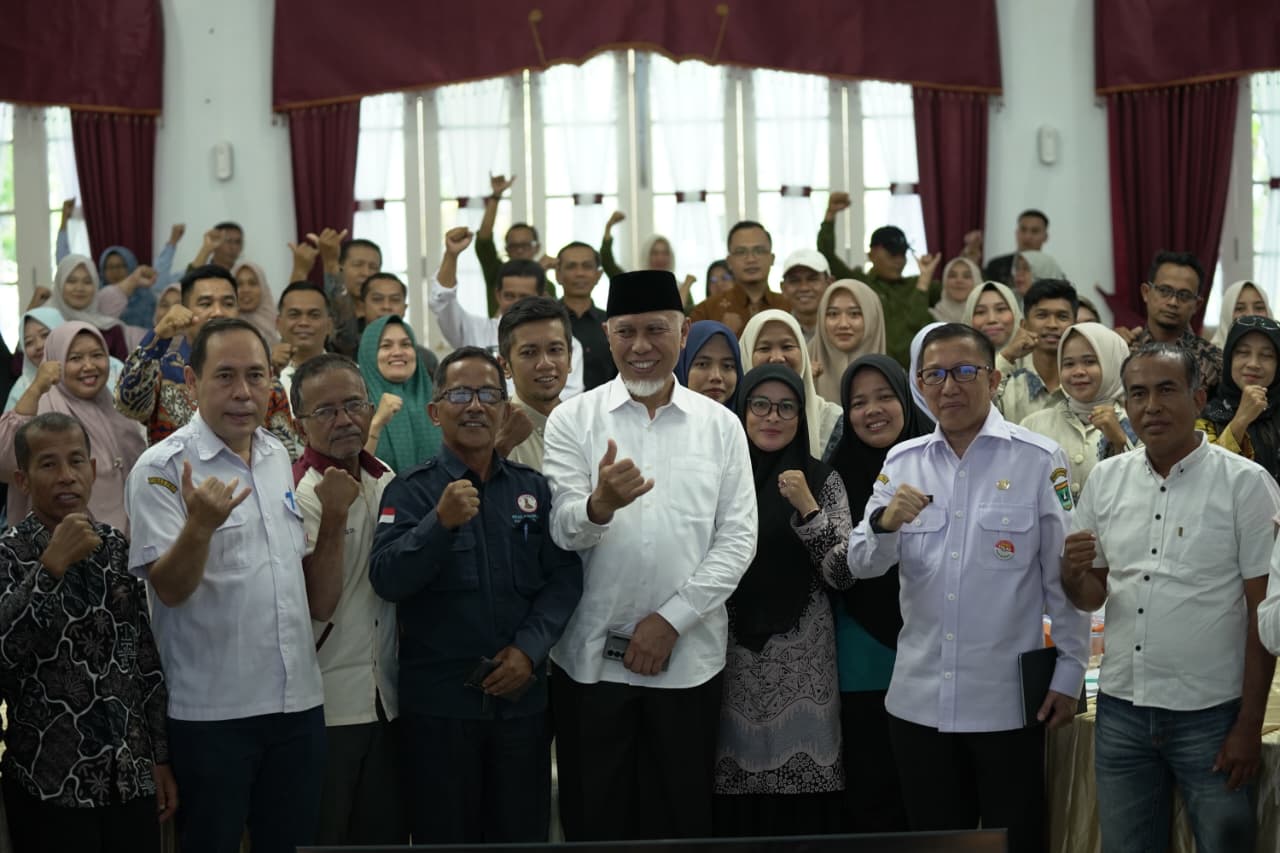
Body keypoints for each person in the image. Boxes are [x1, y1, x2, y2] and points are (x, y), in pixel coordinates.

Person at [846, 322, 1090, 853]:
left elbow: (1063, 575)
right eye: (934, 375)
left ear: (994, 378)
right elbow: (860, 563)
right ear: (920, 384)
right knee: (936, 843)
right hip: (918, 703)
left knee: (1016, 841)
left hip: (1006, 704)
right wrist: (885, 523)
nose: (948, 386)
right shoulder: (903, 462)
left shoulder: (1038, 459)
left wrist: (1070, 671)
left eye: (963, 371)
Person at [542, 269, 757, 841]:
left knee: (679, 820)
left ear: (682, 334)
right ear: (607, 336)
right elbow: (561, 529)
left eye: (656, 330)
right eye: (627, 332)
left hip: (687, 660)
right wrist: (598, 507)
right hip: (590, 662)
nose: (641, 346)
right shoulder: (573, 419)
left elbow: (738, 539)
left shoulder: (721, 426)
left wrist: (670, 620)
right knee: (595, 819)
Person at [1062, 343, 1279, 853]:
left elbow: (1263, 615)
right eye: (1138, 394)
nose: (1151, 406)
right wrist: (1070, 573)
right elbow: (1090, 596)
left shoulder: (1246, 484)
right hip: (1121, 711)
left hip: (1212, 713)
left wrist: (1249, 725)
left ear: (1198, 398)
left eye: (1166, 390)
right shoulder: (1106, 479)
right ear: (1126, 404)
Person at [124, 318, 326, 853]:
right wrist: (199, 527)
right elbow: (169, 590)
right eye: (225, 376)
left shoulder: (277, 455)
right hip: (215, 715)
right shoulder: (162, 468)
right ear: (192, 382)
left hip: (297, 705)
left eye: (256, 375)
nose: (243, 392)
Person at [370, 346, 583, 843]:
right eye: (459, 394)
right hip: (440, 714)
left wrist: (529, 651)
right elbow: (387, 579)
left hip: (522, 709)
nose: (474, 406)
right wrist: (438, 525)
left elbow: (564, 579)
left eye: (489, 395)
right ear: (434, 410)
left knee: (522, 834)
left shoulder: (533, 489)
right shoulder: (410, 491)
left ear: (505, 410)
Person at [0, 413, 176, 853]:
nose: (66, 475)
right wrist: (49, 569)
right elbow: (4, 653)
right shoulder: (9, 554)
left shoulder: (115, 547)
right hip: (50, 781)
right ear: (23, 480)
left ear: (93, 470)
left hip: (129, 777)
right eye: (48, 464)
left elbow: (143, 661)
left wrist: (158, 757)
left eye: (76, 461)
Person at [713, 364, 855, 837]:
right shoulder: (720, 476)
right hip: (729, 658)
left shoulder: (823, 479)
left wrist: (808, 508)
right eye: (760, 404)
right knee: (735, 796)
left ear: (801, 414)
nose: (772, 416)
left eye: (786, 407)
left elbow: (842, 574)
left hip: (804, 667)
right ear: (742, 410)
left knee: (804, 808)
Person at [288, 354, 406, 847]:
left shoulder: (387, 479)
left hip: (389, 701)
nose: (344, 420)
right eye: (326, 411)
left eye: (354, 405)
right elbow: (320, 604)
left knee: (384, 836)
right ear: (300, 423)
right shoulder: (297, 492)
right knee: (325, 836)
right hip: (327, 708)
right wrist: (335, 516)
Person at [826, 354, 933, 833]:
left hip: (933, 646)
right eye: (858, 402)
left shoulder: (941, 466)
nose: (872, 410)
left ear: (907, 400)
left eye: (885, 396)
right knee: (873, 788)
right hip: (862, 652)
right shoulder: (833, 477)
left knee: (929, 790)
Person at [114, 265, 301, 455]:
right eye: (205, 304)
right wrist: (158, 337)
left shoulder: (264, 382)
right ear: (184, 310)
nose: (218, 312)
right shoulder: (162, 371)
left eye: (228, 304)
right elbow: (128, 405)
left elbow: (285, 457)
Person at [0, 322, 147, 533]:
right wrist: (36, 388)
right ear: (56, 361)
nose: (89, 366)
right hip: (65, 540)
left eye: (97, 355)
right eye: (75, 358)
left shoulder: (118, 409)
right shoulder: (43, 412)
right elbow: (5, 460)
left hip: (126, 541)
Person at [430, 228, 585, 397]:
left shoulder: (563, 343)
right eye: (509, 296)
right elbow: (443, 303)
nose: (516, 303)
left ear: (543, 296)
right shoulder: (475, 330)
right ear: (498, 295)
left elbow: (569, 396)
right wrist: (451, 255)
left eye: (525, 297)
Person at [816, 193, 942, 367]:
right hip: (873, 371)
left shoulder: (919, 285)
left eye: (902, 254)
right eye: (892, 254)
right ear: (871, 254)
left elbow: (959, 292)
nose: (898, 260)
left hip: (917, 372)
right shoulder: (859, 285)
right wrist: (830, 216)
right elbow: (827, 255)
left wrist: (924, 282)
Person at [1022, 323, 1137, 502]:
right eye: (1068, 364)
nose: (1078, 372)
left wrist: (1120, 442)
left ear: (1113, 363)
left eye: (1089, 362)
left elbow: (1144, 490)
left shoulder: (1138, 425)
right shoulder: (1033, 425)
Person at [740, 309, 844, 454]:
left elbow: (841, 471)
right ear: (746, 354)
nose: (777, 358)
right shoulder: (726, 421)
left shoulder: (831, 422)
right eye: (764, 348)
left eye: (787, 347)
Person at [1120, 251, 1223, 392]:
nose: (1173, 302)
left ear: (1197, 305)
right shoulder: (1122, 349)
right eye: (1164, 291)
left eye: (1184, 295)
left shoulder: (1213, 360)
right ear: (1146, 292)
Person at [1198, 315, 1280, 482]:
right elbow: (1205, 476)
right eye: (1243, 353)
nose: (1253, 364)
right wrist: (1241, 419)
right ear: (1229, 358)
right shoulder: (1206, 415)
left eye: (1266, 355)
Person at [357, 315, 442, 474]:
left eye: (406, 344)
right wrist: (376, 424)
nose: (398, 352)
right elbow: (354, 472)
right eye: (386, 346)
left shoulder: (439, 402)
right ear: (369, 353)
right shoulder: (354, 407)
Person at [496, 296, 574, 470]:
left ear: (570, 359)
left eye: (555, 350)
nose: (545, 364)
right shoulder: (491, 433)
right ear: (505, 366)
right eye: (529, 353)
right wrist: (500, 449)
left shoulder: (589, 424)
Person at [995, 279, 1078, 424]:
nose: (1052, 324)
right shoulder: (1010, 387)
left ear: (1076, 326)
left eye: (1062, 317)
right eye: (1042, 315)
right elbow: (977, 402)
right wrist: (1007, 355)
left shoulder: (1084, 382)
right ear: (1024, 325)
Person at [688, 221, 791, 337]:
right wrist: (721, 333)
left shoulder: (788, 306)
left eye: (759, 251)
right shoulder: (706, 310)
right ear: (729, 261)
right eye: (741, 252)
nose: (751, 259)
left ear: (772, 259)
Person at [478, 174, 558, 315]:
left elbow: (553, 317)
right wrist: (496, 196)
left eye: (525, 245)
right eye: (514, 246)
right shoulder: (496, 272)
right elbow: (484, 240)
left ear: (537, 248)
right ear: (507, 250)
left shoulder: (547, 284)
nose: (520, 251)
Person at [49, 254, 146, 360]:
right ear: (59, 284)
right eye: (71, 281)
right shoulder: (45, 326)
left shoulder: (110, 330)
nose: (79, 288)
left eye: (87, 282)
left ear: (95, 285)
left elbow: (122, 368)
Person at [809, 279, 887, 405]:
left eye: (854, 314)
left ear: (872, 319)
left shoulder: (895, 379)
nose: (843, 324)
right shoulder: (801, 367)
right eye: (833, 314)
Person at [600, 213, 697, 309]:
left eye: (665, 253)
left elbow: (690, 315)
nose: (660, 258)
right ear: (647, 256)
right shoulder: (634, 284)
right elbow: (608, 263)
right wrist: (608, 227)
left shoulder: (681, 287)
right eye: (655, 253)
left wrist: (686, 285)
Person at [555, 241, 616, 391]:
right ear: (558, 275)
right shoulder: (544, 323)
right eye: (571, 266)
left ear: (598, 275)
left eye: (587, 266)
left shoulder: (613, 323)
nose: (580, 273)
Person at [273, 282, 332, 401]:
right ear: (278, 324)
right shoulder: (264, 377)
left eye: (314, 315)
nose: (304, 322)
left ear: (329, 325)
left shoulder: (350, 375)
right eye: (294, 315)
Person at [5, 307, 67, 412]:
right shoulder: (22, 388)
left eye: (45, 335)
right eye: (29, 342)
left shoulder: (85, 371)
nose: (39, 345)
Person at [675, 320, 743, 409]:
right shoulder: (663, 417)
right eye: (702, 364)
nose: (716, 377)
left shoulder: (752, 416)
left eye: (727, 366)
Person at [964, 280, 1025, 374]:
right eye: (980, 312)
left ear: (1015, 314)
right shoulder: (957, 364)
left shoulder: (1038, 360)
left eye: (1001, 309)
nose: (991, 319)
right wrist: (1006, 357)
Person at [982, 209, 1050, 287]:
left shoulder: (1050, 271)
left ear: (1045, 237)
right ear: (1016, 233)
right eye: (1023, 230)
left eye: (1034, 231)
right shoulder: (996, 266)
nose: (1027, 236)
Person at [779, 249, 833, 341]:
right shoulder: (775, 334)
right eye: (794, 281)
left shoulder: (844, 331)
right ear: (783, 288)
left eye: (812, 279)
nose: (804, 288)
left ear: (829, 284)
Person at [1210, 279, 1272, 347]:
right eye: (1239, 308)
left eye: (1259, 308)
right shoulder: (1210, 352)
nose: (1250, 315)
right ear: (1227, 314)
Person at [233, 261, 280, 347]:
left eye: (252, 283)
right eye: (239, 284)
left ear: (263, 288)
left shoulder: (278, 321)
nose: (246, 290)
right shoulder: (225, 324)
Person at [931, 257, 982, 324]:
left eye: (966, 276)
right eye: (952, 276)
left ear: (977, 282)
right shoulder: (931, 317)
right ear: (944, 281)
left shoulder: (988, 317)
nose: (959, 280)